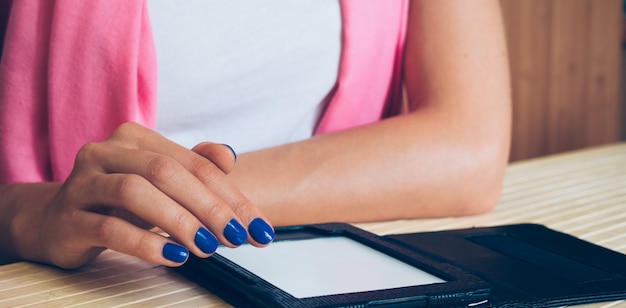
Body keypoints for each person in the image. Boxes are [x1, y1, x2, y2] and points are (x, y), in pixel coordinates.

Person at [0, 0, 511, 269]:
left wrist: (170, 203)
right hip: (80, 303)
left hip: (318, 295)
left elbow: (468, 149)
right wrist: (28, 213)